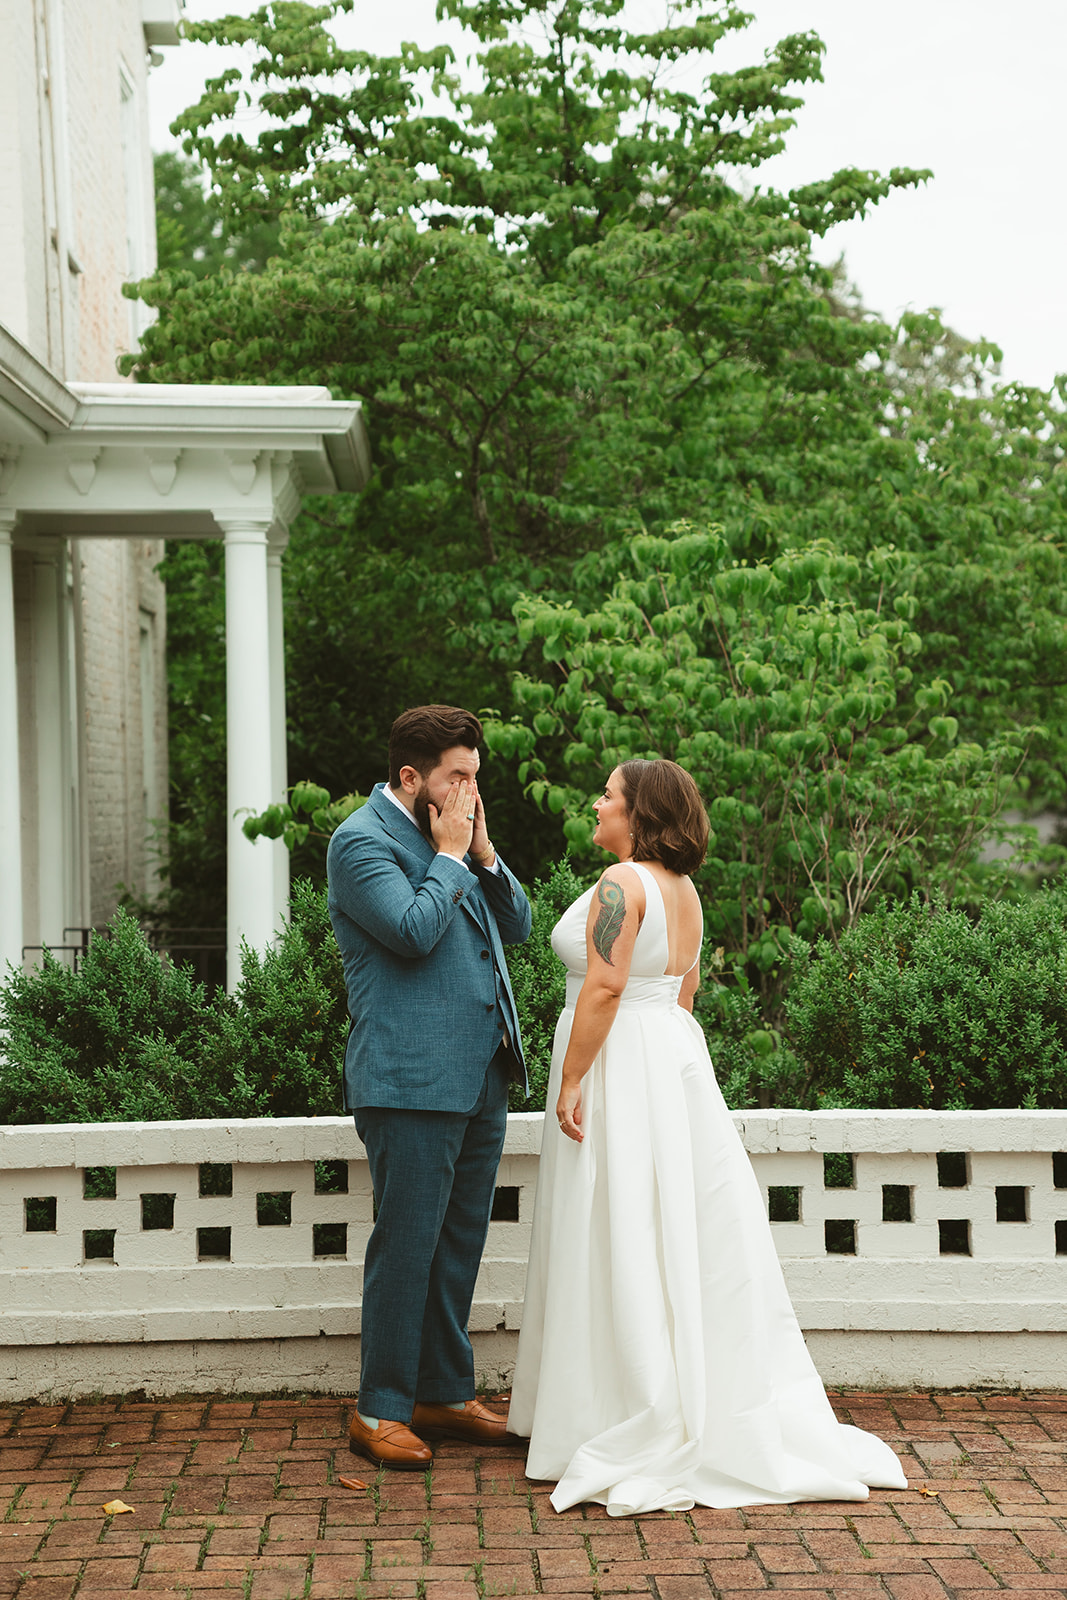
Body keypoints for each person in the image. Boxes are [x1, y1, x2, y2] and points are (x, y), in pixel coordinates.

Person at [507, 758, 908, 1515]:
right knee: (659, 1227)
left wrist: (571, 1080)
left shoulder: (624, 885)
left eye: (608, 796)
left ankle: (608, 1409)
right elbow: (683, 992)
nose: (596, 803)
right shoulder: (684, 891)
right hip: (666, 1058)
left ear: (638, 816)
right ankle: (636, 1391)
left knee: (616, 1223)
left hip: (618, 1064)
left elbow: (602, 985)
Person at [327, 705, 532, 1470]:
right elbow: (412, 932)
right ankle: (378, 1409)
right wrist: (449, 856)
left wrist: (479, 852)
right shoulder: (359, 842)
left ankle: (442, 1393)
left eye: (475, 777)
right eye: (458, 777)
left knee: (457, 1245)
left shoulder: (457, 841)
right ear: (410, 777)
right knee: (407, 1247)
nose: (470, 791)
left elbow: (516, 924)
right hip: (408, 1080)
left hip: (481, 1070)